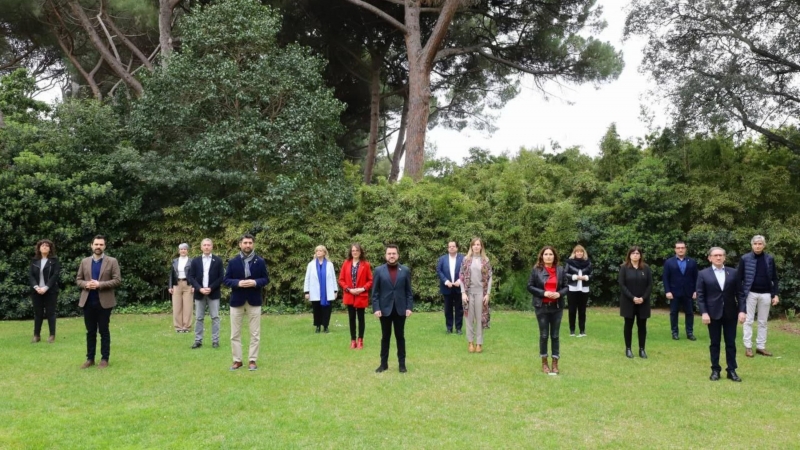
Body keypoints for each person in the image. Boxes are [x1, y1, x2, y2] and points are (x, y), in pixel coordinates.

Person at [697, 247, 746, 382]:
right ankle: (715, 370)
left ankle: (732, 370)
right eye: (715, 255)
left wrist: (742, 310)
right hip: (712, 314)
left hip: (730, 313)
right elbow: (700, 296)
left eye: (721, 255)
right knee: (715, 343)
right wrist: (704, 313)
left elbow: (740, 294)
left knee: (730, 343)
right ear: (710, 258)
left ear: (725, 257)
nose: (718, 258)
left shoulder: (734, 273)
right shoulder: (703, 274)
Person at [223, 234, 269, 371]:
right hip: (237, 300)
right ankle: (237, 361)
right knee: (234, 334)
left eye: (250, 243)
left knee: (255, 333)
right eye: (245, 243)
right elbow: (226, 280)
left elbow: (266, 279)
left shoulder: (260, 261)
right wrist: (238, 283)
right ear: (240, 244)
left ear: (253, 244)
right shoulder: (233, 261)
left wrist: (255, 282)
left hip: (254, 300)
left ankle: (252, 360)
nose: (247, 245)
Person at [76, 235, 121, 369]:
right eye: (96, 244)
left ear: (104, 246)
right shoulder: (84, 262)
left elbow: (117, 280)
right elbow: (78, 279)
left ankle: (104, 359)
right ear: (91, 245)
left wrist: (100, 284)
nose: (98, 247)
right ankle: (90, 359)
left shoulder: (112, 261)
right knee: (90, 332)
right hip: (88, 301)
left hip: (104, 302)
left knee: (104, 331)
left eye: (101, 245)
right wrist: (86, 284)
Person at [371, 244, 413, 373]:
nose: (391, 256)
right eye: (389, 253)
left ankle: (402, 364)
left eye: (394, 253)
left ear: (398, 255)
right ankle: (383, 364)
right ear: (385, 255)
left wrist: (409, 307)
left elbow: (408, 292)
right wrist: (376, 308)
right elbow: (375, 293)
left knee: (400, 337)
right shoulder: (379, 271)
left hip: (400, 309)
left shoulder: (405, 270)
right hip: (384, 310)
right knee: (385, 337)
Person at [527, 246, 569, 375]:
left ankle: (555, 363)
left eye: (551, 254)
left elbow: (566, 287)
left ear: (554, 256)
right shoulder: (536, 270)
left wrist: (559, 294)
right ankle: (544, 362)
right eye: (546, 254)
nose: (548, 256)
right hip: (542, 307)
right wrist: (544, 293)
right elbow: (529, 286)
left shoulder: (560, 270)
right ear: (542, 256)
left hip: (556, 307)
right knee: (544, 335)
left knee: (555, 336)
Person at [737, 235, 780, 358]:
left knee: (763, 322)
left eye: (760, 244)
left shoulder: (769, 259)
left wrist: (775, 294)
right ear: (752, 245)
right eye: (755, 243)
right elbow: (739, 278)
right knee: (748, 320)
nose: (757, 246)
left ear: (764, 245)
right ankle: (748, 347)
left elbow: (774, 278)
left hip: (766, 293)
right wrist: (741, 294)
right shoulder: (745, 258)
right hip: (750, 293)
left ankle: (761, 347)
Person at [186, 238, 225, 349]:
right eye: (205, 245)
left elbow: (221, 277)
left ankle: (215, 341)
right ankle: (198, 341)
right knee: (199, 318)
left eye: (209, 245)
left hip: (213, 293)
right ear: (201, 247)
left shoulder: (218, 261)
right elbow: (191, 277)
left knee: (215, 317)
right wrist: (199, 288)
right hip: (199, 293)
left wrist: (211, 288)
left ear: (212, 247)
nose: (207, 247)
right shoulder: (195, 261)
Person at [459, 238, 492, 354]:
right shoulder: (466, 260)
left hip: (481, 293)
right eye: (474, 245)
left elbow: (490, 278)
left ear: (481, 247)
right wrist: (463, 293)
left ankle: (479, 343)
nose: (476, 246)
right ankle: (470, 343)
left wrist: (487, 294)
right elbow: (461, 277)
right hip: (468, 293)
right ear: (471, 247)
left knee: (479, 318)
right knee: (469, 318)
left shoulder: (485, 260)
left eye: (478, 245)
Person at [618, 246, 652, 359]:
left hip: (643, 302)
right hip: (628, 302)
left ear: (640, 255)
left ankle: (642, 349)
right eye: (633, 253)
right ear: (629, 255)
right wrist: (633, 298)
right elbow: (622, 285)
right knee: (628, 325)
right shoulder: (624, 268)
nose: (635, 255)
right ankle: (628, 349)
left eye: (638, 253)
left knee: (642, 326)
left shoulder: (646, 268)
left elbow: (650, 285)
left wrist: (643, 298)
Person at [338, 243, 373, 349]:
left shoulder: (365, 264)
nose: (355, 252)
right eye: (353, 250)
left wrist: (362, 289)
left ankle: (360, 340)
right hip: (349, 295)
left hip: (361, 295)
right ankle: (353, 340)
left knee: (361, 318)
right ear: (351, 252)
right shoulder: (346, 263)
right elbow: (341, 280)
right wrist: (348, 289)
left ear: (360, 252)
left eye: (357, 250)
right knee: (351, 318)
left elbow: (370, 280)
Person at [663, 240, 699, 341]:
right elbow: (665, 278)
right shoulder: (669, 262)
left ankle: (690, 333)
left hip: (689, 292)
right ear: (675, 249)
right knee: (674, 313)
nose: (680, 250)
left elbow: (696, 277)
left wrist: (696, 290)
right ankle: (674, 332)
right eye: (678, 248)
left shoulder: (692, 262)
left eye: (682, 248)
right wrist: (667, 291)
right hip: (674, 292)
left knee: (690, 313)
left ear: (685, 249)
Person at [29, 239, 61, 344]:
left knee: (50, 313)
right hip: (36, 291)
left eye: (47, 246)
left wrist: (46, 287)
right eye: (42, 245)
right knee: (38, 313)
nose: (44, 247)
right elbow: (31, 275)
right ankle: (36, 335)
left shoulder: (55, 260)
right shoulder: (34, 261)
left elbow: (55, 275)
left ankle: (52, 335)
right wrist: (36, 287)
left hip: (50, 291)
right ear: (39, 248)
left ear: (50, 248)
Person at [304, 245, 338, 333]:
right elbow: (307, 278)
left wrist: (335, 290)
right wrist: (306, 291)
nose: (318, 252)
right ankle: (318, 326)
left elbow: (333, 278)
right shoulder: (311, 265)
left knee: (327, 310)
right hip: (315, 292)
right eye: (317, 251)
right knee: (317, 309)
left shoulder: (330, 265)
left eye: (320, 251)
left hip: (327, 292)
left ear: (324, 253)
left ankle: (326, 326)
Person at [436, 241, 464, 334]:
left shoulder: (463, 258)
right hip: (447, 287)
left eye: (453, 246)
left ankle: (458, 328)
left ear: (457, 248)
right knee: (448, 309)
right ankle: (449, 328)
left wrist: (460, 281)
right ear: (448, 248)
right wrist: (446, 281)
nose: (451, 248)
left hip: (458, 287)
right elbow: (439, 270)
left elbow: (465, 271)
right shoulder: (442, 259)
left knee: (459, 309)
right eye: (450, 246)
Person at [564, 245, 592, 337]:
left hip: (584, 289)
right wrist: (574, 277)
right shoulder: (569, 262)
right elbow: (565, 273)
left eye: (581, 252)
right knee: (572, 310)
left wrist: (586, 277)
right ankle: (572, 331)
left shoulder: (588, 263)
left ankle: (582, 331)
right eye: (577, 251)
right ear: (574, 253)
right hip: (572, 288)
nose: (579, 253)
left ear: (583, 253)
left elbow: (592, 274)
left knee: (582, 311)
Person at [168, 243, 194, 333]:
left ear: (187, 251)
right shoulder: (174, 261)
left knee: (188, 306)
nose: (183, 251)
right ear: (179, 251)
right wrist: (170, 286)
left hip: (188, 284)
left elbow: (195, 275)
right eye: (181, 249)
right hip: (176, 284)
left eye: (185, 249)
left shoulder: (192, 261)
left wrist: (194, 286)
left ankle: (186, 327)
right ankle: (178, 327)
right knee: (176, 306)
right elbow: (171, 274)